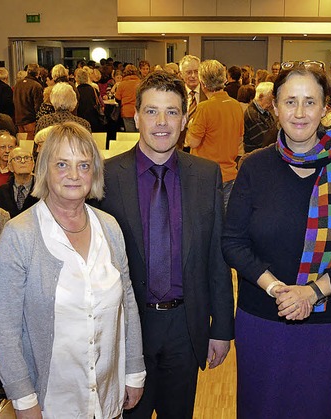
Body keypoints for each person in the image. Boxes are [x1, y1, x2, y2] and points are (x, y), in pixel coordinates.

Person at [222, 63, 331, 419]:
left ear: (325, 108)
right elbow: (233, 242)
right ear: (275, 107)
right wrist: (278, 289)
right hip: (262, 316)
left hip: (329, 322)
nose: (300, 112)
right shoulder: (254, 166)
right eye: (290, 101)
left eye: (310, 102)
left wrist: (313, 291)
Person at [95, 71, 234, 419]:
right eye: (152, 111)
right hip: (127, 327)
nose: (161, 122)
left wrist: (221, 328)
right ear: (136, 115)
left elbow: (215, 255)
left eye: (171, 112)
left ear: (185, 118)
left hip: (185, 327)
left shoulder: (205, 175)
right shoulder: (106, 176)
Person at [0, 122, 146, 418]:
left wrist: (134, 369)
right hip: (50, 403)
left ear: (95, 172)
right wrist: (24, 400)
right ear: (45, 169)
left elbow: (128, 303)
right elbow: (2, 327)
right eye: (62, 164)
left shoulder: (109, 228)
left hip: (107, 398)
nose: (74, 175)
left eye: (84, 165)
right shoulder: (19, 235)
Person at [186, 59, 244, 209]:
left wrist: (190, 126)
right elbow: (239, 140)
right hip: (230, 174)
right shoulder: (236, 105)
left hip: (206, 177)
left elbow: (193, 142)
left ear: (203, 83)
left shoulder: (204, 108)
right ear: (224, 79)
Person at [0, 147, 39, 218]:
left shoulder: (44, 190)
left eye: (27, 158)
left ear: (33, 164)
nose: (23, 161)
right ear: (10, 166)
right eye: (17, 158)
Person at [243, 81, 277, 153]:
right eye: (270, 99)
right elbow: (265, 142)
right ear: (261, 96)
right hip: (256, 155)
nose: (272, 103)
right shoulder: (253, 115)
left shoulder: (264, 111)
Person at [13, 63, 43, 141]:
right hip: (30, 121)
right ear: (38, 73)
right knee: (30, 145)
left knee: (22, 145)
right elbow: (38, 106)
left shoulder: (17, 85)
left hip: (18, 120)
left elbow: (14, 102)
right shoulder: (36, 86)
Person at [114, 64, 141, 132]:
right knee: (139, 134)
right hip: (139, 110)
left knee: (130, 134)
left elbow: (117, 98)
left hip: (127, 112)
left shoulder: (122, 84)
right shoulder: (141, 83)